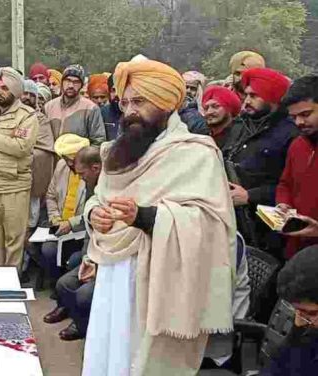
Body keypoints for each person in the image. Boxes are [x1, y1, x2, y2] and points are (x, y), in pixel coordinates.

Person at [82, 59, 235, 375]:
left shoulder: (196, 153)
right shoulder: (117, 151)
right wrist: (93, 212)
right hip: (115, 272)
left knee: (141, 357)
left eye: (139, 101)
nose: (129, 111)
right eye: (124, 103)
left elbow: (211, 225)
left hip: (160, 275)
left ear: (167, 102)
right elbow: (101, 195)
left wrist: (146, 217)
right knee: (109, 352)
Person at [226, 67, 297, 256]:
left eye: (254, 96)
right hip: (236, 224)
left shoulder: (292, 133)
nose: (247, 101)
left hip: (271, 231)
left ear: (272, 97)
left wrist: (250, 196)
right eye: (246, 95)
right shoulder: (240, 126)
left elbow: (294, 187)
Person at [0, 67, 38, 268]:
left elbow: (21, 147)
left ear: (15, 90)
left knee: (13, 241)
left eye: (4, 88)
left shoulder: (27, 116)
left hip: (13, 186)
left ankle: (11, 285)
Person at [44, 145, 102, 342]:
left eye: (82, 172)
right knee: (63, 282)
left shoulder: (106, 188)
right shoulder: (81, 176)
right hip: (86, 243)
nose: (79, 177)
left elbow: (88, 220)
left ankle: (82, 324)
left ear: (95, 168)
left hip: (97, 248)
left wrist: (92, 260)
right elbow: (51, 196)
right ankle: (72, 313)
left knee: (76, 272)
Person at [276, 75, 318, 259]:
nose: (299, 122)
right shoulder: (297, 145)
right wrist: (283, 203)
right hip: (296, 252)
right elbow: (285, 183)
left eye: (306, 114)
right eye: (294, 117)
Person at [41, 134, 89, 285]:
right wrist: (55, 218)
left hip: (80, 231)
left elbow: (92, 211)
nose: (67, 162)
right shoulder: (61, 166)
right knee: (47, 250)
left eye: (70, 159)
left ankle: (65, 288)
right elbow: (50, 196)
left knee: (74, 258)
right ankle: (56, 285)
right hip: (60, 227)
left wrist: (71, 223)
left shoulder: (91, 173)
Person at [263, 245, 318, 375]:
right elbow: (278, 368)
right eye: (297, 311)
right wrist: (297, 338)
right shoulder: (305, 325)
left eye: (311, 313)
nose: (300, 321)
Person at [45, 65, 105, 145]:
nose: (71, 86)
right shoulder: (49, 107)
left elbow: (98, 142)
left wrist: (82, 155)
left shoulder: (90, 109)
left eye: (76, 82)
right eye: (68, 80)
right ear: (62, 82)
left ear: (81, 85)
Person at [23, 79, 55, 229]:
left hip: (32, 180)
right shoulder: (6, 116)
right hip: (9, 182)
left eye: (31, 95)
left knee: (29, 226)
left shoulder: (40, 119)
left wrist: (18, 150)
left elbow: (45, 149)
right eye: (24, 93)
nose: (27, 97)